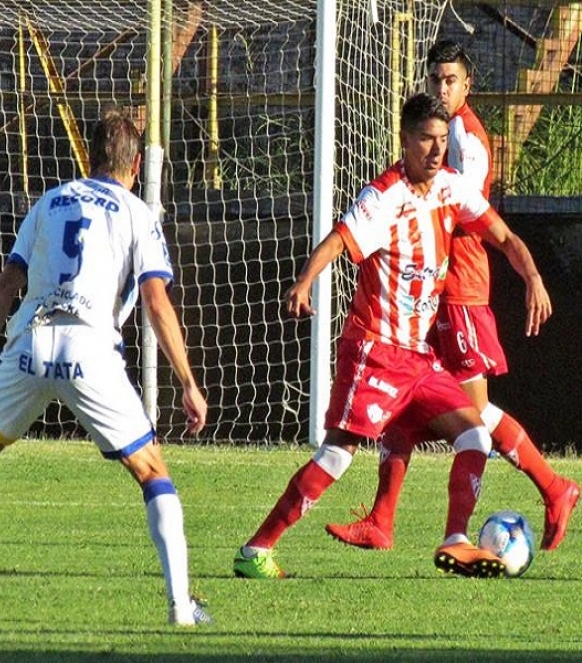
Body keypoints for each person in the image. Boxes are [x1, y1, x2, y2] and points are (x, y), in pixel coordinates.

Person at [232, 93, 552, 580]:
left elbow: (505, 238)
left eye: (443, 139)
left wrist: (532, 278)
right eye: (426, 138)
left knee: (474, 434)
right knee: (338, 454)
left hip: (417, 358)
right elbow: (340, 239)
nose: (436, 149)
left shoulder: (450, 188)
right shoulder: (384, 196)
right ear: (404, 139)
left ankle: (456, 541)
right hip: (374, 350)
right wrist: (303, 282)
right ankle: (256, 550)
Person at [0, 108, 212, 626]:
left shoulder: (50, 201)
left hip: (30, 341)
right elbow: (156, 302)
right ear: (137, 163)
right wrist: (187, 382)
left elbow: (5, 287)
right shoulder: (138, 213)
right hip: (89, 348)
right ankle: (181, 608)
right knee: (151, 471)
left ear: (89, 156)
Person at [325, 41, 578, 553]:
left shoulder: (466, 139)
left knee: (474, 417)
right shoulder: (442, 132)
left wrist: (527, 273)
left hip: (459, 288)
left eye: (451, 80)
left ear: (468, 87)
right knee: (402, 406)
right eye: (435, 79)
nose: (441, 87)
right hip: (429, 293)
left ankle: (551, 488)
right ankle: (382, 519)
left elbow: (470, 211)